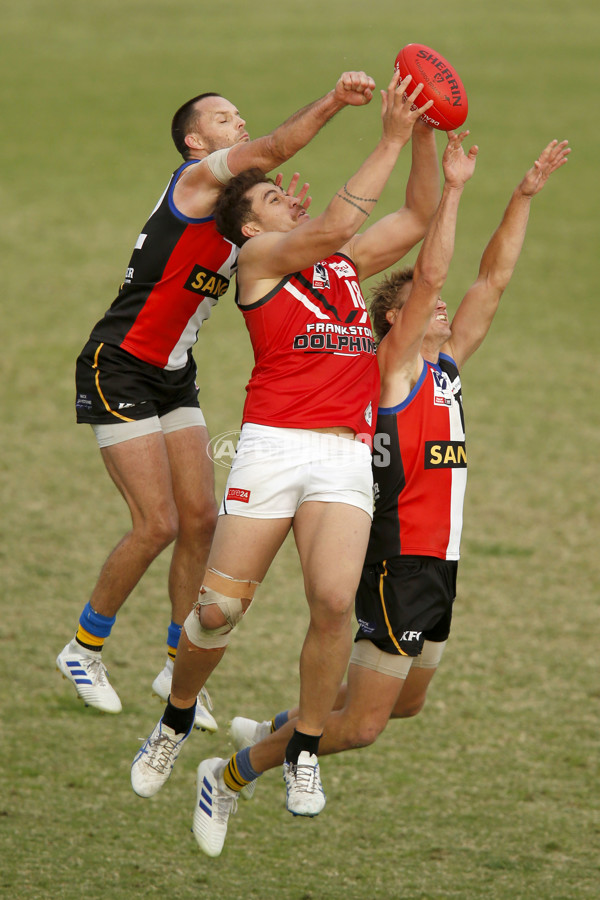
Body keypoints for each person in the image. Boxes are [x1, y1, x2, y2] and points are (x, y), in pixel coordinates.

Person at [191, 135, 570, 856]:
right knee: (361, 727)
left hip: (441, 566)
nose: (442, 311)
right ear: (392, 323)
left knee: (409, 704)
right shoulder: (390, 370)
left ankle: (286, 722)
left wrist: (521, 197)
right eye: (426, 309)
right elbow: (428, 272)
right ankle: (231, 773)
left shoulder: (448, 366)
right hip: (397, 561)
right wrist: (453, 191)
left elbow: (491, 280)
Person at [130, 71, 441, 838]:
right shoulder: (262, 265)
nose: (285, 200)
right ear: (247, 230)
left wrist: (426, 136)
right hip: (273, 447)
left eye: (282, 195)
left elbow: (418, 214)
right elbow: (334, 224)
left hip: (341, 455)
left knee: (336, 602)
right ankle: (173, 722)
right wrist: (390, 134)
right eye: (270, 200)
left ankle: (302, 744)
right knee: (219, 608)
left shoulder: (338, 265)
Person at [55, 71, 382, 730]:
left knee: (202, 519)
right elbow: (278, 146)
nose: (239, 123)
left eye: (240, 116)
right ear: (194, 139)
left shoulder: (239, 224)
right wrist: (333, 101)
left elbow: (308, 250)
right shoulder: (196, 181)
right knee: (159, 523)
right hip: (118, 366)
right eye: (225, 118)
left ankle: (176, 665)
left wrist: (283, 216)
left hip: (174, 373)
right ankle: (84, 647)